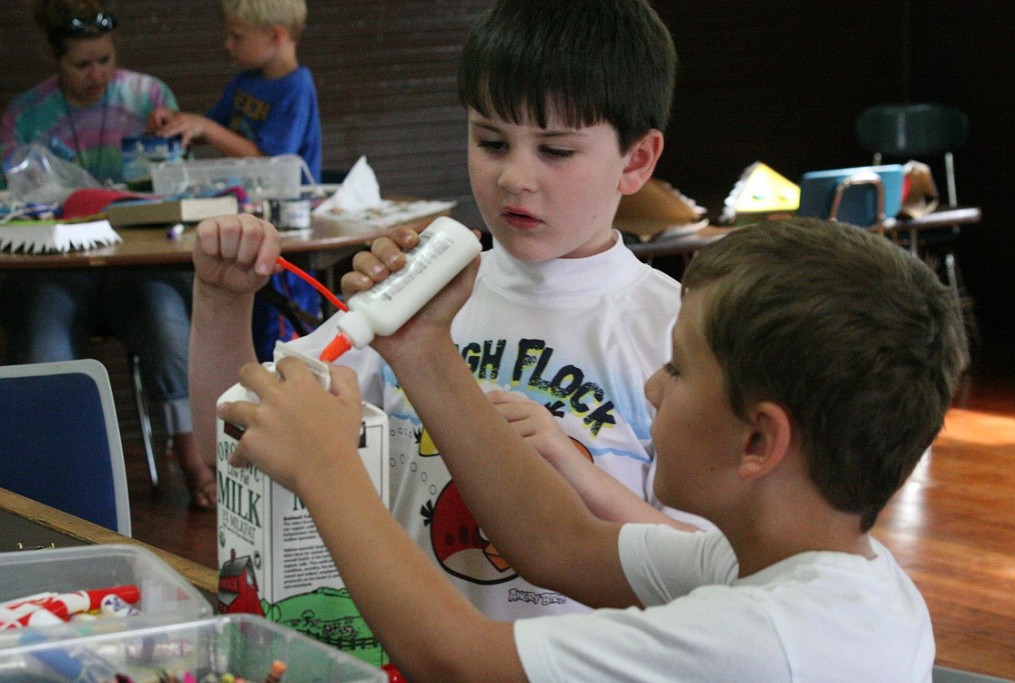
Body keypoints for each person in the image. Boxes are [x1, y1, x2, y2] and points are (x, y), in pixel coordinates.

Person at [215, 216, 968, 681]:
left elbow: (456, 660)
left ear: (759, 439)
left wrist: (327, 468)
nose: (652, 384)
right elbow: (560, 541)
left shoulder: (767, 640)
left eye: (678, 368)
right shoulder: (789, 568)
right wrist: (423, 349)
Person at [190, 0, 702, 622]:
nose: (515, 176)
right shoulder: (417, 292)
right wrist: (222, 300)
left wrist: (573, 467)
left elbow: (710, 570)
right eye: (491, 141)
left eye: (557, 151)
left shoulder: (677, 330)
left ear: (637, 160)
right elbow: (238, 438)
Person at [0, 0, 215, 512]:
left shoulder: (149, 96)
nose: (97, 74)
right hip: (58, 271)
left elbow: (175, 186)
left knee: (169, 327)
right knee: (41, 353)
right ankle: (49, 490)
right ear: (57, 61)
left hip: (136, 269)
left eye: (105, 60)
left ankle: (193, 456)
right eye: (82, 65)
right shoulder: (26, 116)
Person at [148, 0, 322, 363]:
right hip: (250, 219)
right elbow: (209, 128)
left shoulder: (296, 87)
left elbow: (268, 162)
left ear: (276, 35)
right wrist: (180, 122)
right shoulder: (245, 82)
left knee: (277, 341)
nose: (228, 45)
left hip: (286, 230)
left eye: (236, 36)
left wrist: (208, 128)